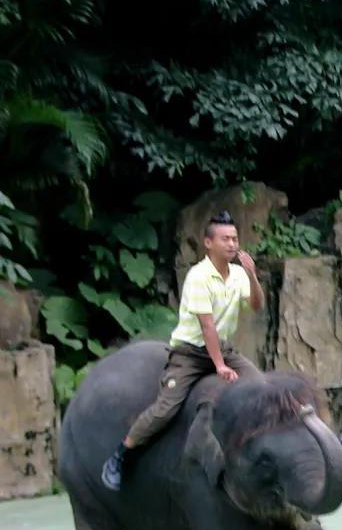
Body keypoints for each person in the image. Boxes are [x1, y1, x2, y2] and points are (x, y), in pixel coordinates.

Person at [101, 210, 264, 490]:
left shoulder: (238, 275)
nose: (232, 244)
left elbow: (257, 305)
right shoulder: (198, 277)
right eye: (225, 239)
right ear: (208, 243)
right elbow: (207, 326)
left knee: (261, 386)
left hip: (223, 348)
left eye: (235, 238)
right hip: (190, 353)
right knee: (166, 408)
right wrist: (219, 366)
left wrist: (251, 275)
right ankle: (120, 455)